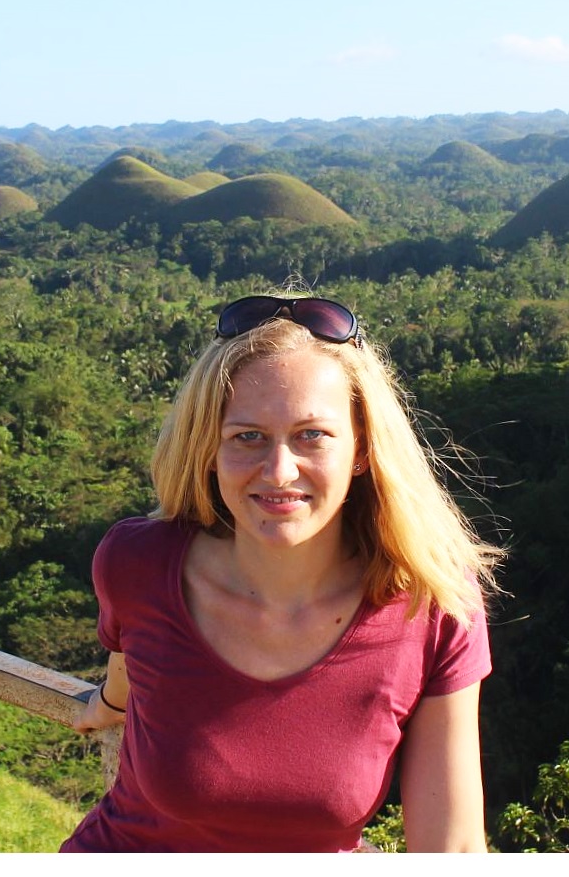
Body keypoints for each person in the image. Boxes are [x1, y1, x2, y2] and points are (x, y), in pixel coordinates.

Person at [60, 293, 504, 853]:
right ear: (209, 450)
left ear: (362, 448)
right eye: (247, 436)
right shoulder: (137, 563)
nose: (279, 470)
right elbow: (131, 670)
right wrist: (106, 704)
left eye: (311, 435)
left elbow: (453, 848)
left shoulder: (434, 605)